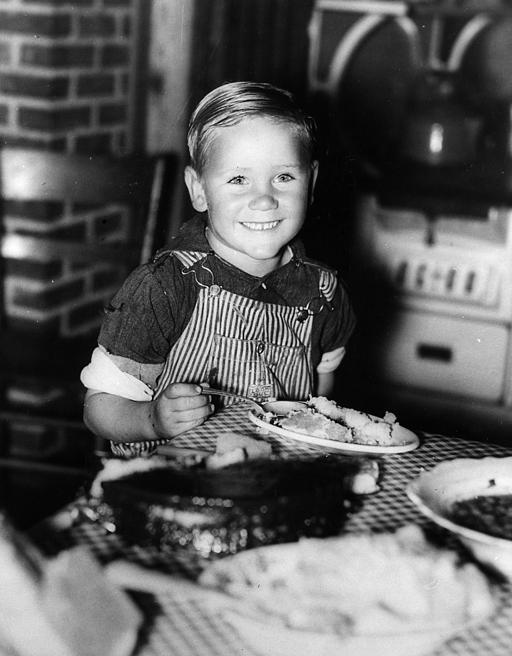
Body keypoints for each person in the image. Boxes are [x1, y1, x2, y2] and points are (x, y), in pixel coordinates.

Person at [80, 81, 356, 457]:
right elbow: (99, 408)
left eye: (284, 177)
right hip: (169, 484)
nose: (263, 199)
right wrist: (151, 419)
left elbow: (321, 394)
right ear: (198, 189)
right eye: (238, 179)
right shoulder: (164, 286)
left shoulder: (325, 293)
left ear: (312, 183)